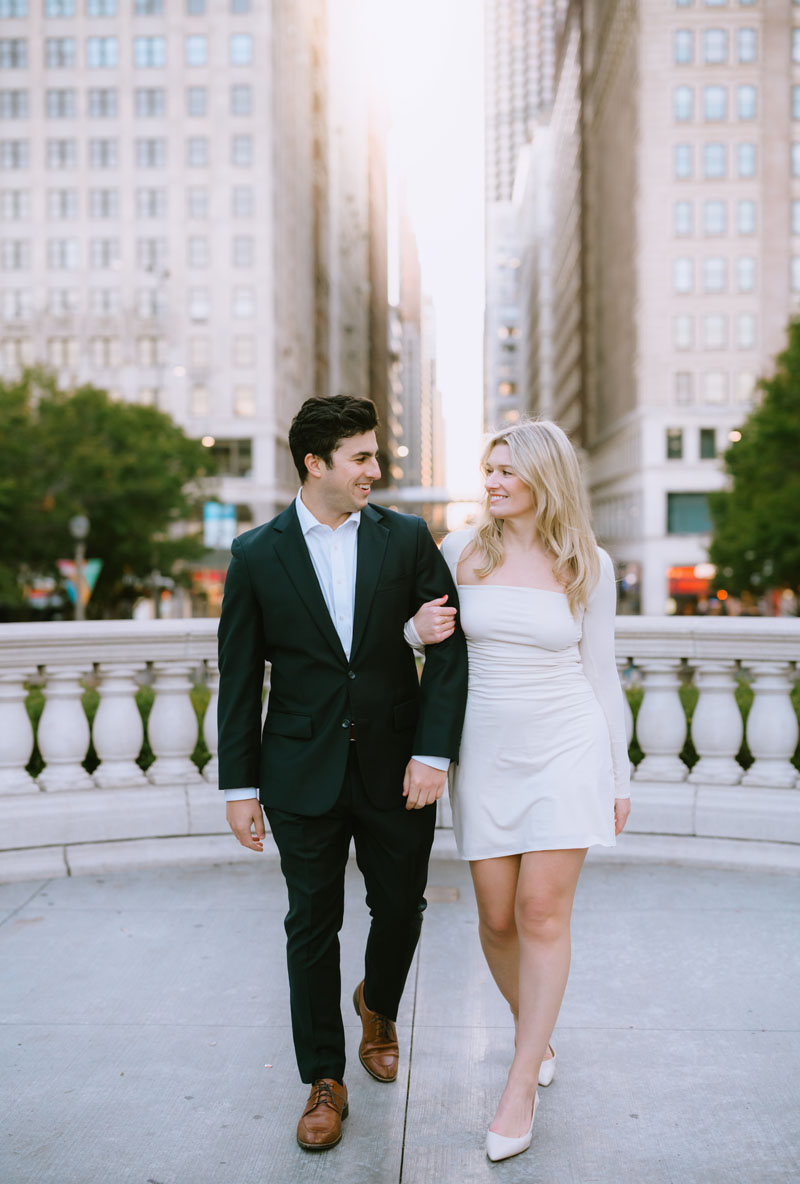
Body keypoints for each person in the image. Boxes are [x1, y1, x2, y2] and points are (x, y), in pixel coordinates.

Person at [217, 395, 468, 1152]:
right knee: (310, 926)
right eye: (360, 456)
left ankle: (377, 1002)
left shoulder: (406, 538)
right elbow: (237, 678)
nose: (375, 470)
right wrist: (239, 788)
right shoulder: (256, 555)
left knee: (401, 911)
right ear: (314, 462)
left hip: (399, 769)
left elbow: (450, 648)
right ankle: (323, 1078)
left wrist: (433, 754)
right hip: (300, 770)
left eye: (374, 455)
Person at [408, 418, 631, 1163]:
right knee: (497, 918)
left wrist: (618, 774)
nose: (493, 483)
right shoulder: (459, 551)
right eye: (488, 470)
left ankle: (518, 1080)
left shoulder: (587, 564)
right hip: (486, 750)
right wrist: (416, 633)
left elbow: (603, 678)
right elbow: (421, 639)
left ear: (545, 477)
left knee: (541, 911)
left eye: (507, 471)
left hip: (566, 746)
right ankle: (538, 1032)